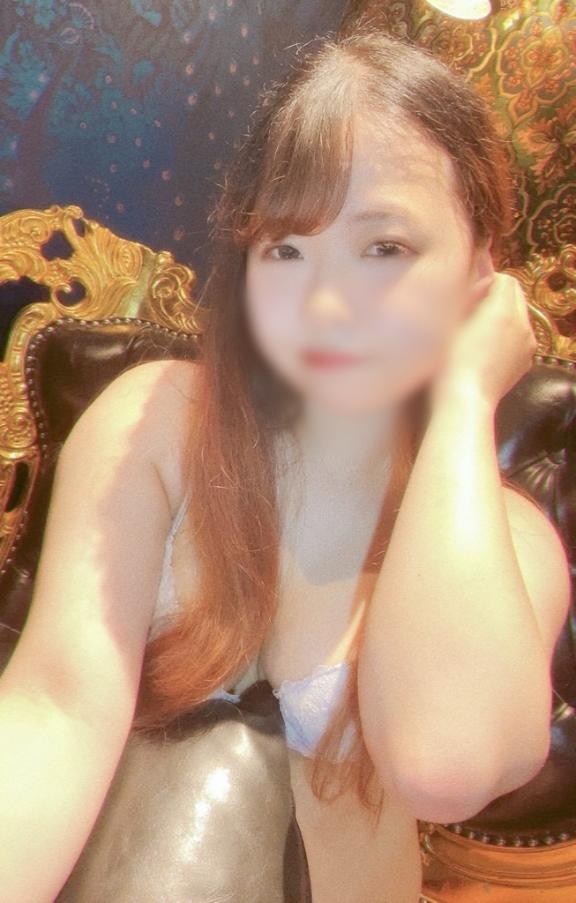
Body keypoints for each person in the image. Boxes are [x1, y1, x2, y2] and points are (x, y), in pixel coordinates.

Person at [0, 25, 571, 903]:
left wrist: (465, 400)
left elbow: (444, 762)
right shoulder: (158, 428)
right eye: (287, 248)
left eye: (385, 247)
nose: (325, 302)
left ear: (481, 274)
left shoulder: (505, 541)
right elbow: (56, 709)